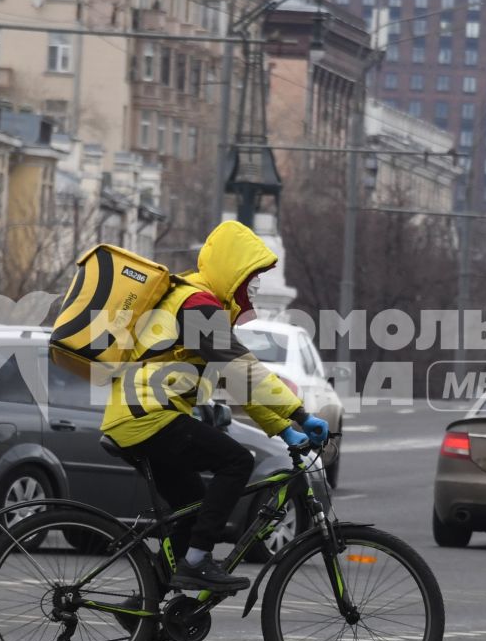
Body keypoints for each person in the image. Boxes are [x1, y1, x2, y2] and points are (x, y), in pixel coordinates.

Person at [100, 221, 329, 593]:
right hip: (148, 417)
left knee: (192, 505)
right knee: (237, 461)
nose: (254, 287)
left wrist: (285, 428)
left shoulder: (199, 302)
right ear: (232, 269)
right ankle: (197, 562)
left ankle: (144, 612)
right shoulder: (197, 304)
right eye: (252, 276)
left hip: (140, 417)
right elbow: (244, 368)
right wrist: (300, 414)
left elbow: (235, 378)